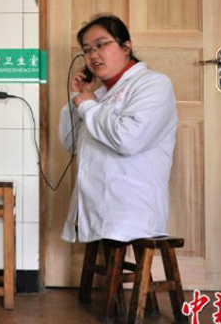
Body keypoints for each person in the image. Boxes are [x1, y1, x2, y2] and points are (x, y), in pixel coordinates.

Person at [59, 14, 178, 243]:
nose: (93, 55)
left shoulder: (153, 84)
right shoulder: (97, 95)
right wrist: (78, 96)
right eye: (87, 50)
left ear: (126, 48)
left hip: (131, 209)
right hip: (95, 208)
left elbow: (128, 139)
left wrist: (88, 105)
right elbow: (69, 142)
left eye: (101, 45)